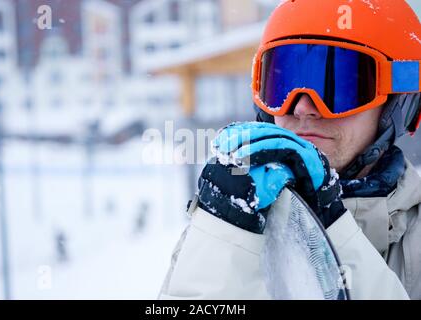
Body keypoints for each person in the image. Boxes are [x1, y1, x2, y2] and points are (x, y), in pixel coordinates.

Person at [159, 0, 421, 299]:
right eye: (283, 84)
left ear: (399, 102)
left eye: (338, 85)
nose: (302, 108)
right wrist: (224, 236)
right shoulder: (227, 221)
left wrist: (331, 228)